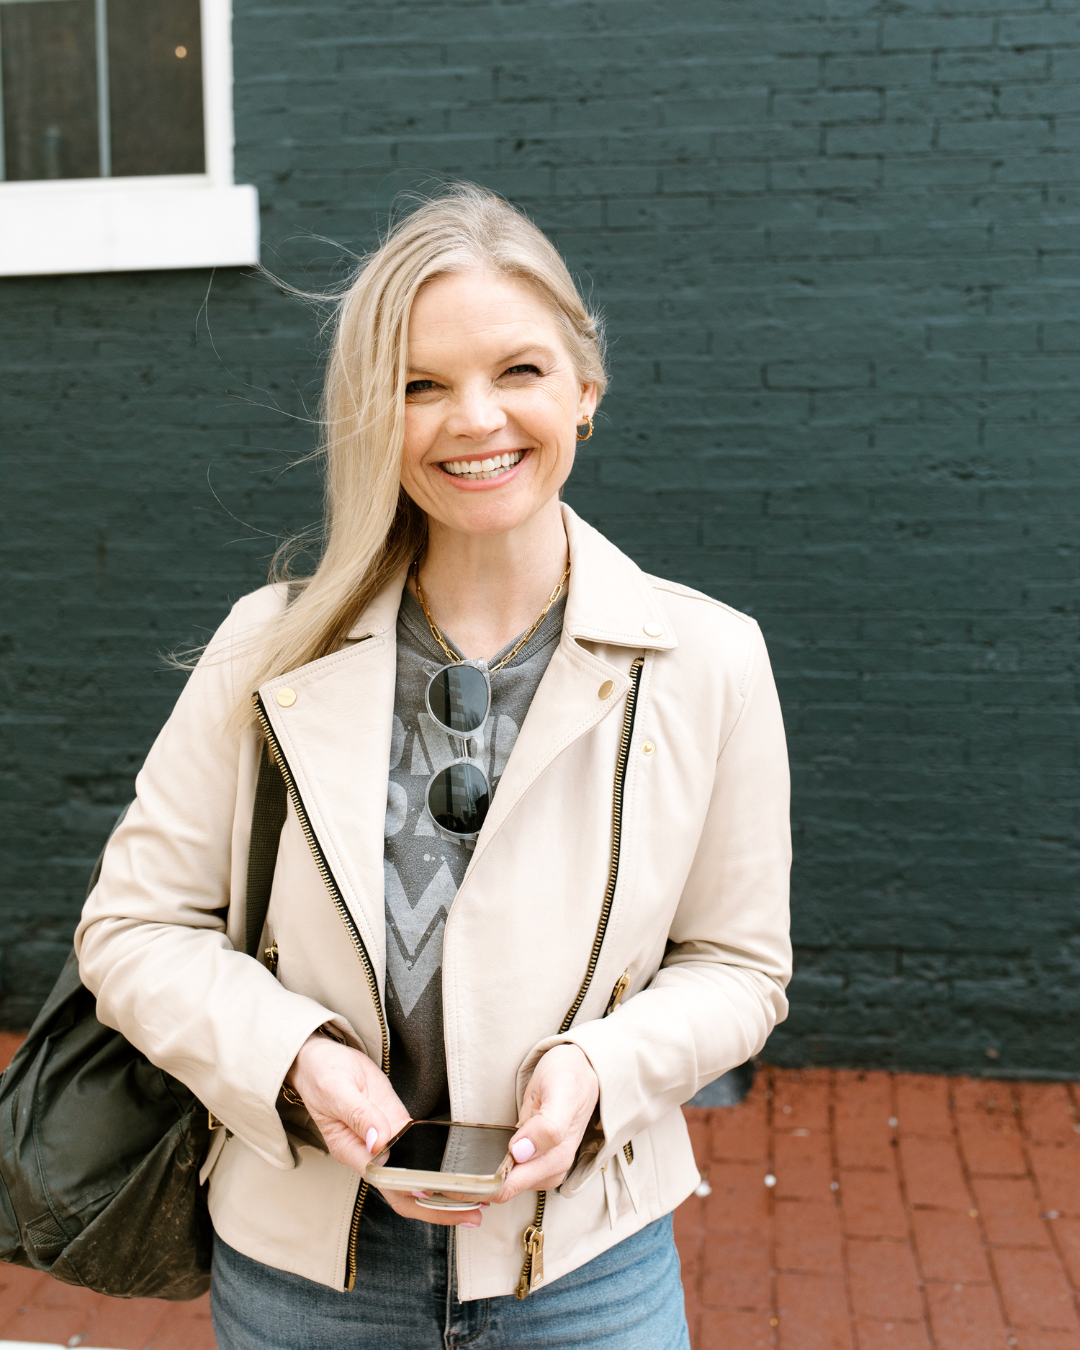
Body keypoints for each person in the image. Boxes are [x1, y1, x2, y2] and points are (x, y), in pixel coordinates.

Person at [75, 183, 792, 1350]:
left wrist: (598, 1074)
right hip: (308, 1266)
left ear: (585, 390)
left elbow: (739, 967)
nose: (475, 419)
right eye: (419, 385)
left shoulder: (708, 659)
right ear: (372, 413)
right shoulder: (269, 647)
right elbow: (133, 931)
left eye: (518, 371)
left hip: (584, 1271)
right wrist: (296, 1058)